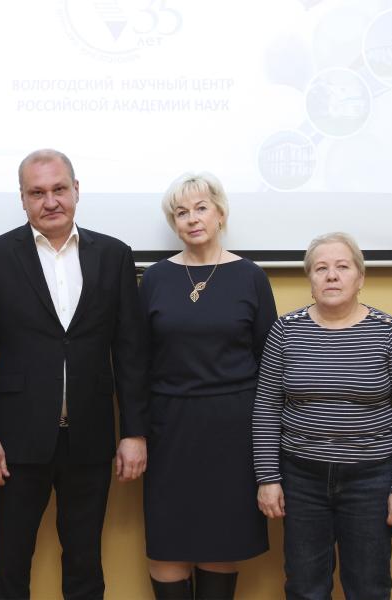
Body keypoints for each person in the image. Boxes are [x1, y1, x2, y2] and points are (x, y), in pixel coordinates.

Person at [0, 148, 148, 599]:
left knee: (85, 562)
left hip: (90, 435)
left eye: (59, 189)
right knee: (10, 561)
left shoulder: (114, 255)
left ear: (76, 190)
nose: (50, 202)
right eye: (37, 193)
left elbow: (130, 352)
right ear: (22, 198)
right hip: (15, 438)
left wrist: (134, 432)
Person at [254, 232, 392, 600]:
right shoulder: (285, 331)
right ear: (310, 280)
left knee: (368, 587)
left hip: (371, 480)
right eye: (321, 268)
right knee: (304, 587)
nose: (331, 275)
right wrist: (268, 478)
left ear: (360, 278)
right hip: (301, 479)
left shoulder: (389, 332)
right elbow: (267, 408)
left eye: (342, 267)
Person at [140, 172, 275, 599]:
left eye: (201, 208)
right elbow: (138, 362)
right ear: (174, 223)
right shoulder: (155, 279)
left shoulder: (251, 277)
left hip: (233, 430)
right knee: (168, 545)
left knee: (220, 544)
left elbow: (269, 365)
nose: (192, 219)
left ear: (220, 213)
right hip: (169, 429)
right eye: (181, 212)